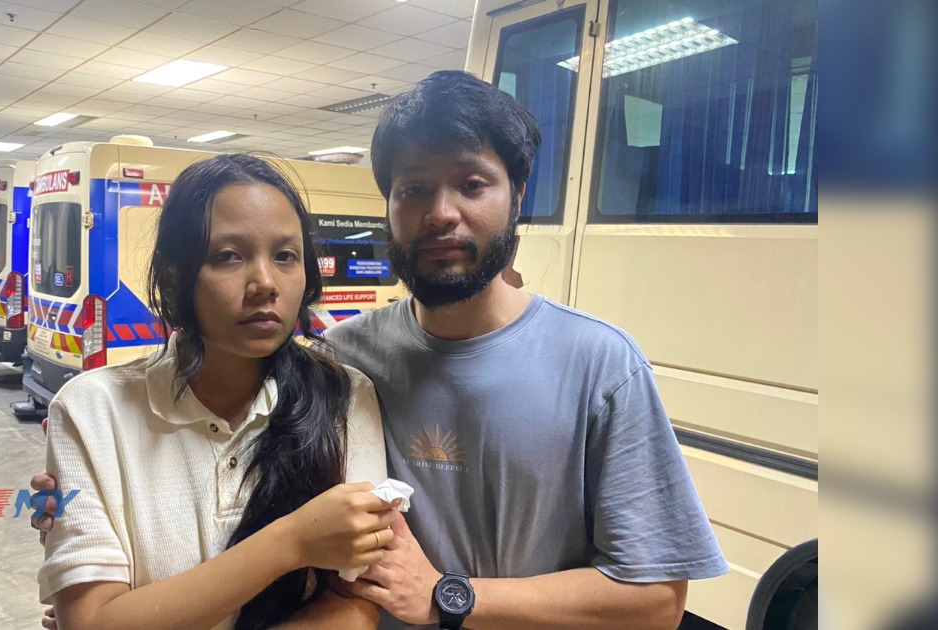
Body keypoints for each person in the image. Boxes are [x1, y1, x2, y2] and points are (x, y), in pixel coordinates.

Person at [35, 71, 727, 629]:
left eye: (473, 184)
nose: (442, 212)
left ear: (517, 195)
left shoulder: (600, 364)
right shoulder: (346, 361)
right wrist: (84, 514)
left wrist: (450, 596)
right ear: (389, 206)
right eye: (414, 188)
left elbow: (656, 602)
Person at [36, 153, 400, 630]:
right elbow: (92, 621)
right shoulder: (91, 411)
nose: (265, 283)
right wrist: (293, 541)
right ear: (173, 276)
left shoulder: (344, 397)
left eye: (285, 256)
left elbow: (356, 608)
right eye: (229, 256)